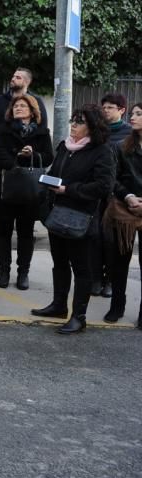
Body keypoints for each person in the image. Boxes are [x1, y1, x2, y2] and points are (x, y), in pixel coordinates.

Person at [32, 105, 116, 334]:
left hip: (81, 217)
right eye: (73, 121)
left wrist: (68, 189)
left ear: (92, 127)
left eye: (79, 122)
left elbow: (103, 186)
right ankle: (58, 305)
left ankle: (79, 316)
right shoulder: (65, 147)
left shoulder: (102, 151)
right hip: (57, 214)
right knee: (59, 263)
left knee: (81, 268)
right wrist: (47, 184)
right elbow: (56, 172)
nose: (73, 126)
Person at [0, 95, 54, 291]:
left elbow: (48, 157)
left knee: (26, 232)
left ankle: (23, 272)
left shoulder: (42, 132)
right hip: (5, 186)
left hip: (29, 189)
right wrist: (16, 159)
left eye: (23, 106)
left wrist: (32, 155)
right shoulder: (3, 129)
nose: (18, 108)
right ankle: (4, 271)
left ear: (32, 110)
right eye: (16, 106)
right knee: (3, 232)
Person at [0, 67, 48, 232]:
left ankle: (22, 219)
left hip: (24, 153)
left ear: (27, 82)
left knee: (23, 185)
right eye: (13, 76)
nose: (13, 79)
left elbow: (41, 125)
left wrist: (34, 148)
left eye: (18, 77)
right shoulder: (0, 100)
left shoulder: (35, 100)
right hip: (2, 151)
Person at [102, 102, 142, 328]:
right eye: (133, 113)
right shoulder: (121, 147)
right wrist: (128, 196)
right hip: (124, 209)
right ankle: (117, 306)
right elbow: (112, 179)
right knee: (119, 263)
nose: (133, 118)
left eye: (139, 114)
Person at [91, 94, 130, 297]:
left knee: (112, 240)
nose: (105, 110)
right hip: (97, 191)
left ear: (121, 110)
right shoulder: (98, 131)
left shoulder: (129, 134)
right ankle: (96, 277)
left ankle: (110, 280)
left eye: (110, 107)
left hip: (117, 194)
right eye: (103, 106)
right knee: (94, 237)